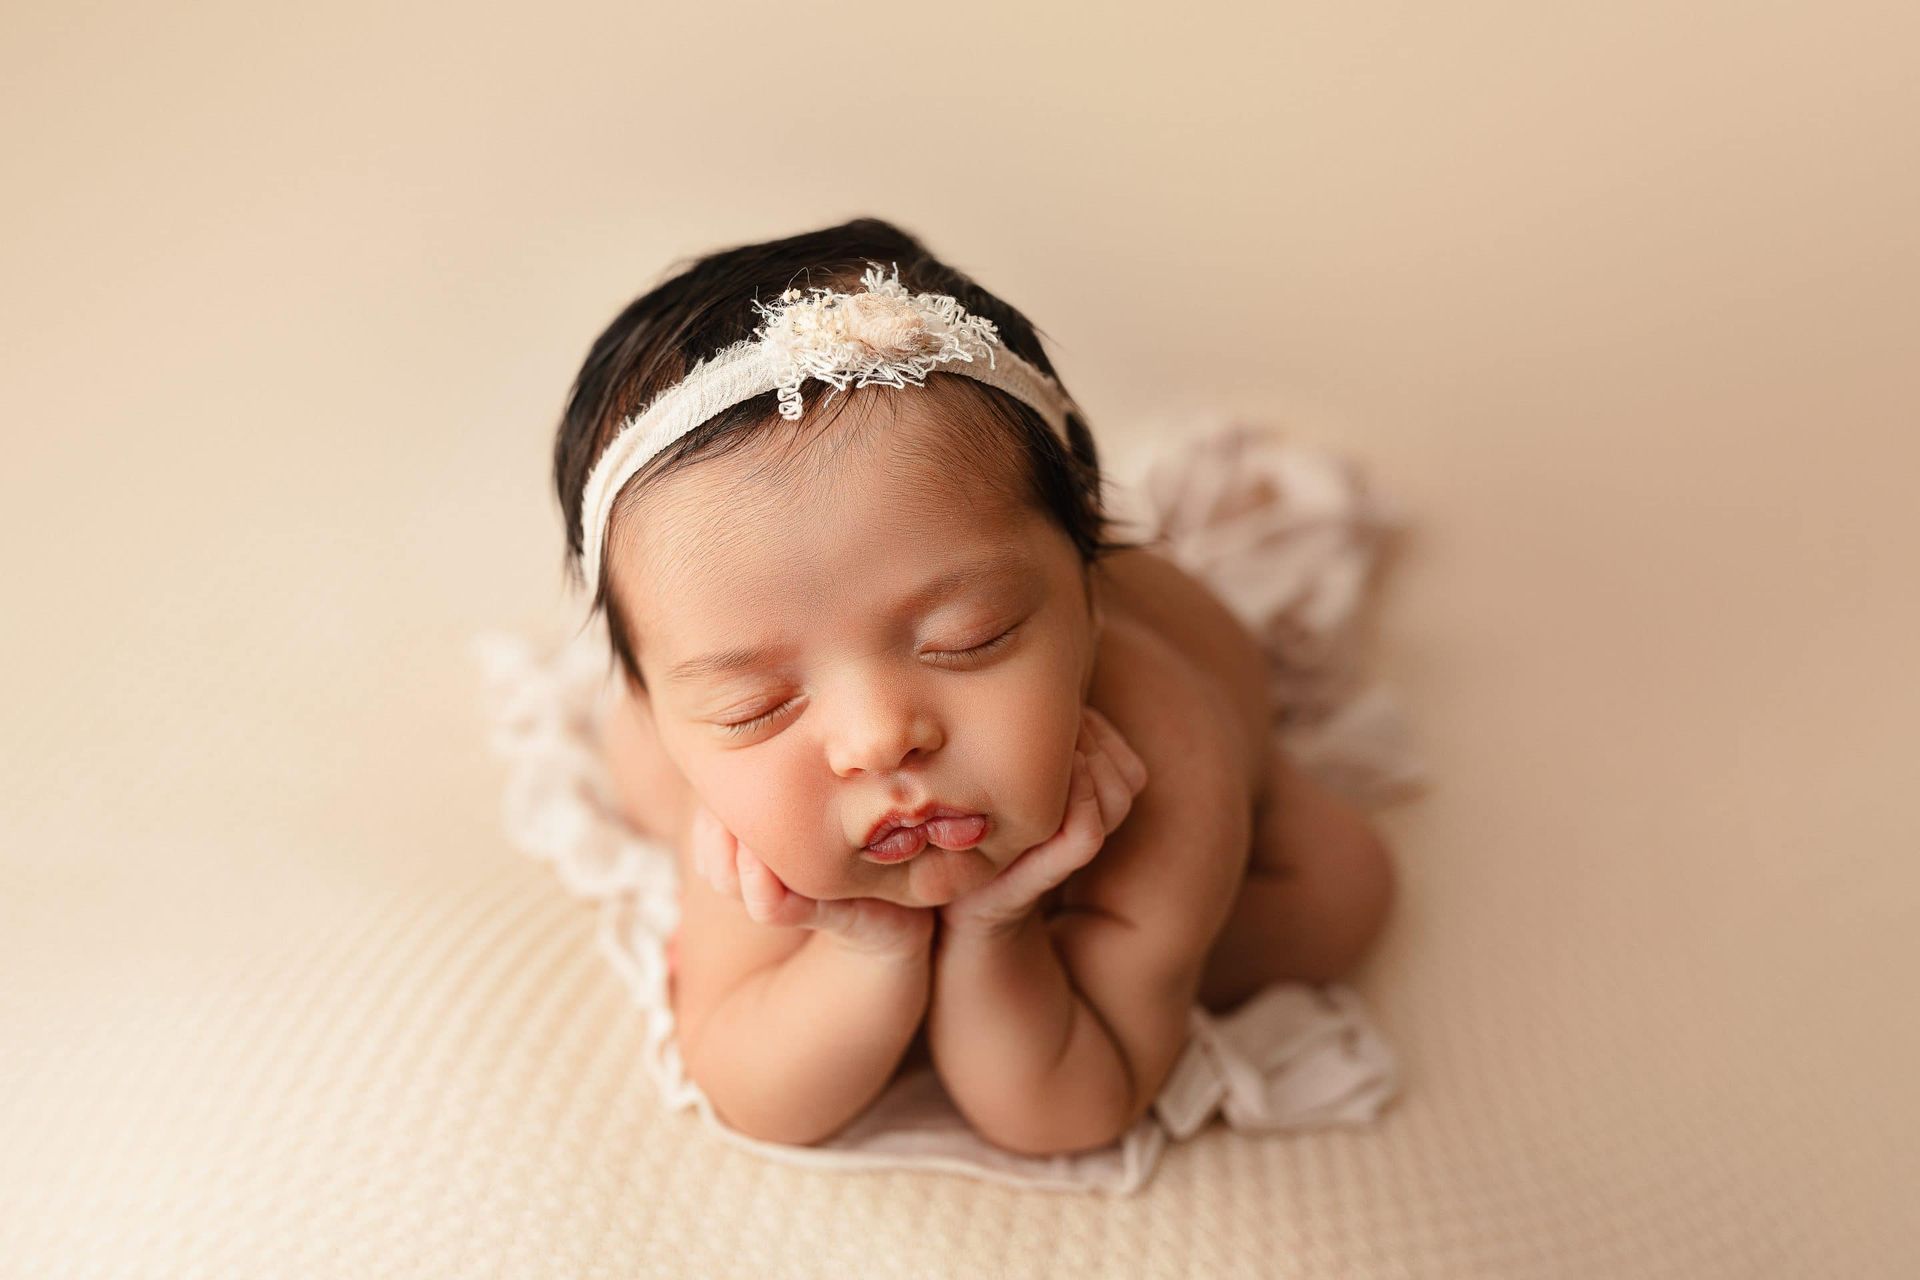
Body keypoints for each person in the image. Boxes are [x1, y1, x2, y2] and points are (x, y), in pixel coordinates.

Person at [554, 217, 1396, 1156]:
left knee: (1342, 895)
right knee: (639, 769)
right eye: (756, 703)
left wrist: (995, 931)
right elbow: (757, 1093)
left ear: (1087, 592)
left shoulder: (1169, 755)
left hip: (1161, 831)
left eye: (967, 638)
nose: (879, 738)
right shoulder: (734, 806)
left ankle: (1111, 954)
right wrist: (862, 943)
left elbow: (1069, 1107)